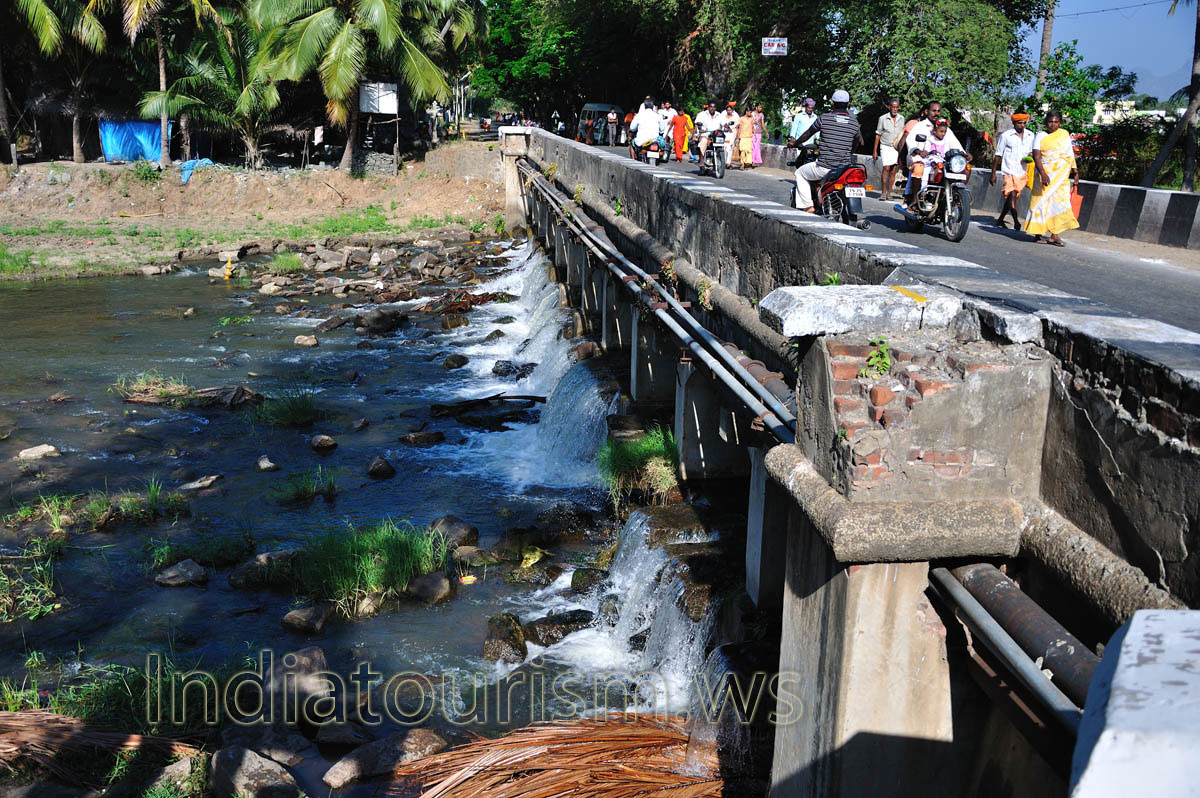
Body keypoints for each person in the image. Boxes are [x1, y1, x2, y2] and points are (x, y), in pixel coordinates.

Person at [793, 90, 862, 212]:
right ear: (848, 104)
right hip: (844, 169)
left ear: (833, 103)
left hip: (825, 167)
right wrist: (850, 152)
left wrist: (795, 143)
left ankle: (808, 206)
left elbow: (808, 134)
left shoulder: (824, 118)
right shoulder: (854, 122)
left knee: (800, 173)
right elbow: (859, 141)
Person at [1024, 110, 1079, 246]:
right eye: (1050, 121)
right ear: (1046, 123)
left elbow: (1069, 154)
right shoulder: (1040, 136)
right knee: (1040, 203)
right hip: (1044, 174)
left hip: (1061, 176)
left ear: (1060, 123)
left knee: (1059, 204)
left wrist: (1075, 171)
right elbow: (1036, 155)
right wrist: (1043, 173)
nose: (1053, 125)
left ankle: (1055, 235)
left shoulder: (1064, 135)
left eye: (1056, 122)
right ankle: (1038, 234)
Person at [991, 111, 1034, 228]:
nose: (1022, 125)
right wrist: (993, 173)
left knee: (1012, 197)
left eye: (1024, 123)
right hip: (1008, 171)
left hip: (1022, 172)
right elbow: (998, 154)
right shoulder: (1006, 136)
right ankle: (1016, 221)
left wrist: (1029, 158)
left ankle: (1000, 219)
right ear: (1014, 123)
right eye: (1019, 123)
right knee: (1013, 194)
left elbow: (1032, 152)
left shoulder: (1030, 135)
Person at [901, 101, 942, 207]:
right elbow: (910, 142)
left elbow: (952, 141)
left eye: (938, 111)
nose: (936, 113)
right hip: (918, 158)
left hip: (937, 159)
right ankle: (915, 199)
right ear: (927, 112)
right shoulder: (920, 126)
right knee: (919, 168)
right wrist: (919, 151)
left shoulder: (942, 127)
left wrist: (963, 153)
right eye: (934, 111)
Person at [908, 118, 964, 194]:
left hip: (941, 161)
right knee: (925, 171)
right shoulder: (929, 140)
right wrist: (925, 153)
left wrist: (961, 153)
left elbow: (947, 151)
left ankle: (951, 192)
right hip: (930, 160)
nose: (943, 134)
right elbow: (927, 151)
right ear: (934, 131)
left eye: (945, 132)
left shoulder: (946, 141)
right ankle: (923, 190)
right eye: (941, 131)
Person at [873, 98, 904, 201]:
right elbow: (878, 134)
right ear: (889, 107)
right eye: (893, 107)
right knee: (886, 168)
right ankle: (883, 192)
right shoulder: (883, 118)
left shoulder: (901, 118)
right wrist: (875, 150)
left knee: (893, 170)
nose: (895, 109)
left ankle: (889, 193)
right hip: (885, 146)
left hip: (896, 147)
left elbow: (903, 134)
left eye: (896, 107)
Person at [720, 102, 740, 167]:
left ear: (732, 110)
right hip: (724, 133)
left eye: (730, 110)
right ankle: (723, 161)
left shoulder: (735, 116)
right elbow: (720, 124)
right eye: (728, 110)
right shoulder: (723, 115)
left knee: (729, 147)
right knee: (724, 147)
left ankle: (728, 162)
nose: (729, 111)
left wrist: (737, 136)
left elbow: (737, 125)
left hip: (731, 134)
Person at [750, 102, 765, 167]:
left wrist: (766, 131)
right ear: (756, 107)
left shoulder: (761, 115)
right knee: (753, 146)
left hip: (759, 132)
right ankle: (752, 161)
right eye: (759, 107)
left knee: (757, 147)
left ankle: (755, 161)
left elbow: (763, 124)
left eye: (761, 107)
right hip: (752, 132)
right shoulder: (752, 114)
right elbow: (751, 123)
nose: (760, 108)